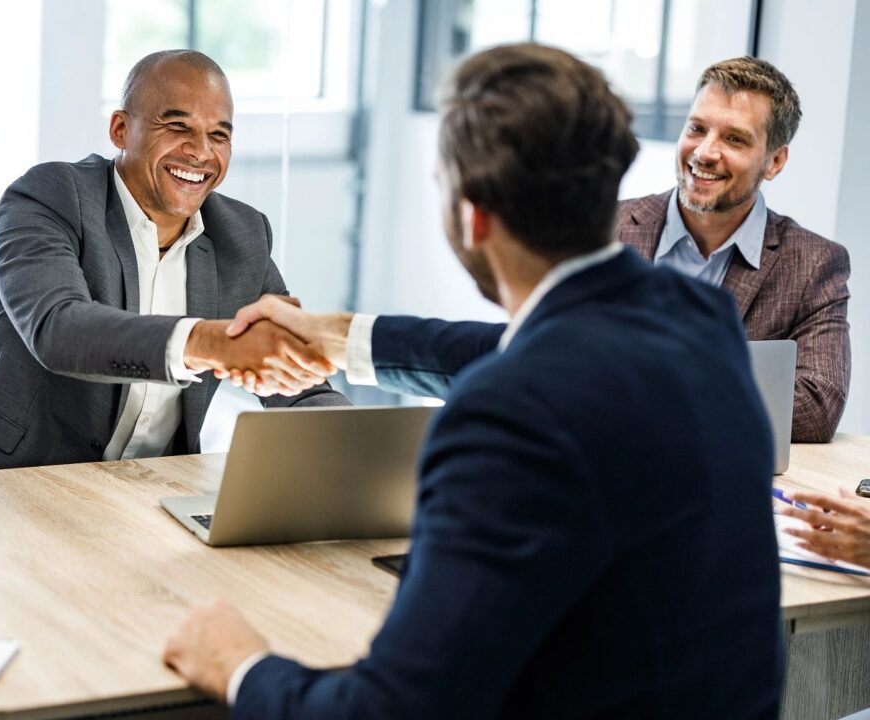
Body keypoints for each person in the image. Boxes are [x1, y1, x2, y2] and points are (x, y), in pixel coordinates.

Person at [164, 43, 785, 717]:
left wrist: (242, 666)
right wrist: (341, 336)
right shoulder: (698, 320)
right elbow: (519, 349)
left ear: (473, 214)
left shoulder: (511, 414)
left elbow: (394, 711)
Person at [0, 50, 344, 474]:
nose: (201, 152)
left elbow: (295, 380)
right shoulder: (50, 197)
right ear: (120, 129)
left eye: (219, 135)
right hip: (11, 486)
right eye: (178, 126)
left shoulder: (242, 234)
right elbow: (59, 329)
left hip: (149, 495)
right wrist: (210, 343)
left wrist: (363, 449)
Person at [616, 57, 850, 442]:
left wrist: (657, 387)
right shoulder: (610, 229)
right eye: (697, 128)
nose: (705, 152)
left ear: (775, 161)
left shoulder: (813, 264)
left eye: (734, 139)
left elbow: (816, 406)